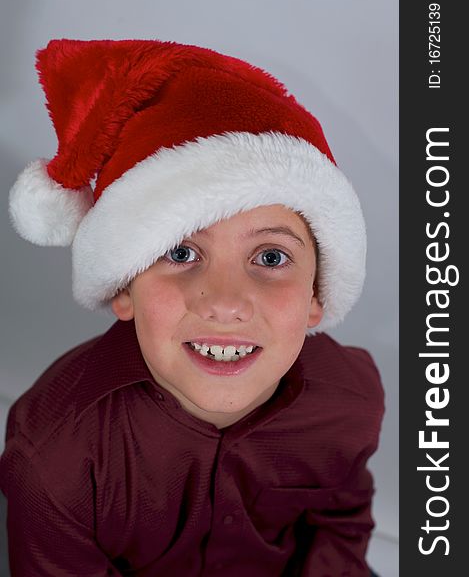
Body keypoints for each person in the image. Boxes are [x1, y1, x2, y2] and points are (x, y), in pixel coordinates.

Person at [0, 39, 385, 576]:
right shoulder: (53, 454)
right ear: (123, 288)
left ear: (317, 296)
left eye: (270, 256)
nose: (225, 303)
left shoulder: (350, 400)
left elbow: (340, 524)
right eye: (181, 252)